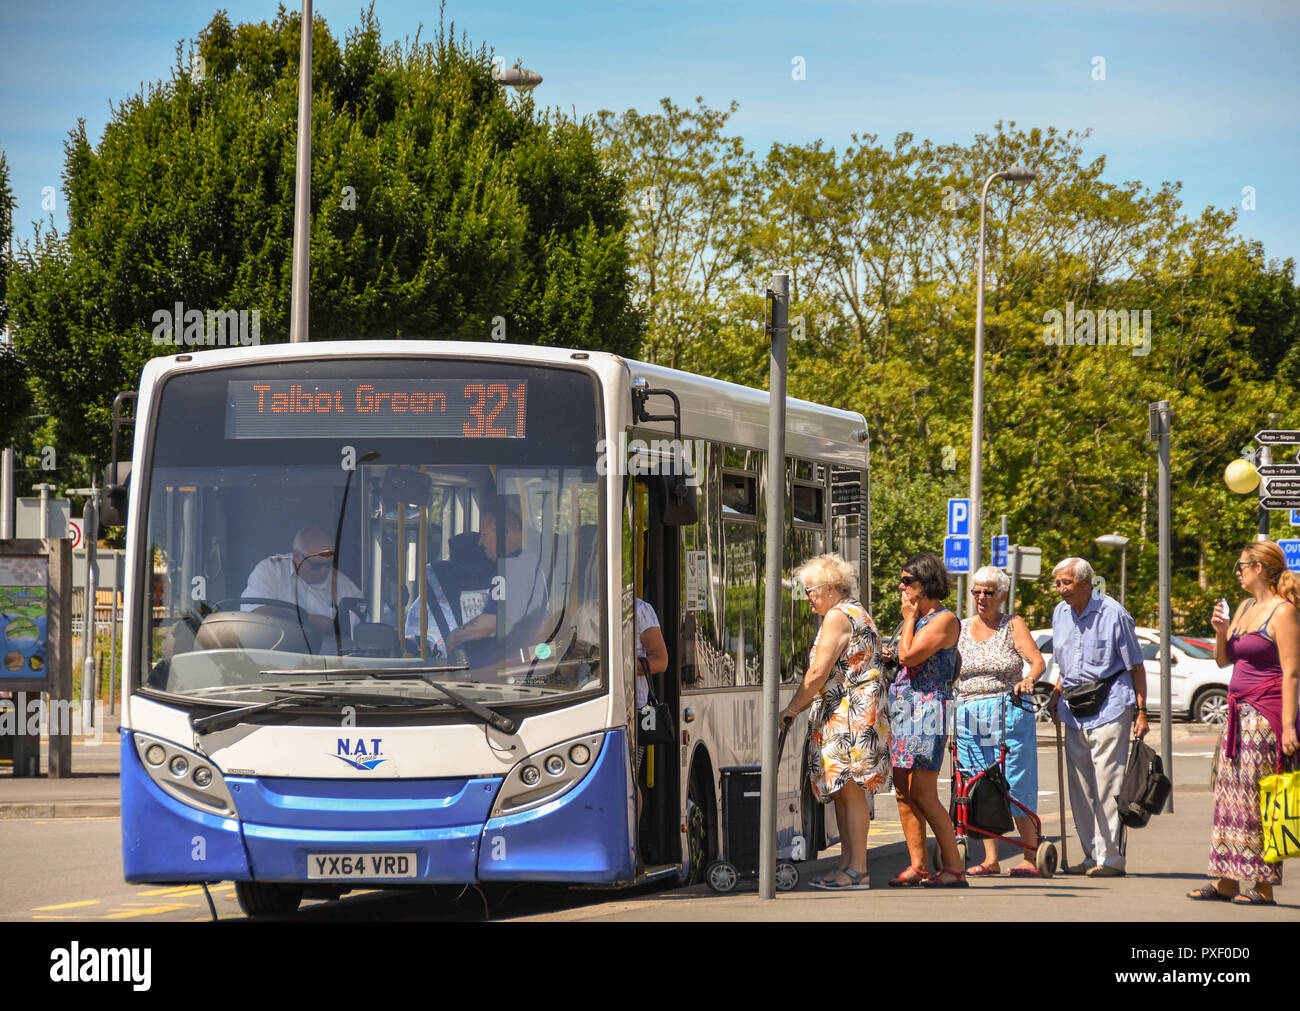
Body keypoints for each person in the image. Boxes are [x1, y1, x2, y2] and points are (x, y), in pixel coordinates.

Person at [1188, 540, 1299, 906]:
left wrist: (1288, 727)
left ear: (1261, 569)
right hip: (1237, 716)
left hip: (1264, 717)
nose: (1238, 571)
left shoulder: (1282, 612)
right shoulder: (1245, 607)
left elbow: (1292, 673)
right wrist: (1220, 632)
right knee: (1228, 798)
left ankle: (1263, 885)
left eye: (1242, 565)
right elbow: (1223, 661)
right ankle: (1226, 879)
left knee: (1258, 799)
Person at [779, 553, 890, 890]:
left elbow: (817, 672)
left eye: (810, 590)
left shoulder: (839, 616)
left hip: (851, 716)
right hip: (851, 713)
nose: (808, 598)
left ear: (829, 589)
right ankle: (847, 864)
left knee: (851, 791)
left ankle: (857, 869)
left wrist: (792, 708)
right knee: (843, 791)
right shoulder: (853, 611)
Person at [1049, 556, 1148, 877]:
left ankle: (1112, 859)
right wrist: (1056, 693)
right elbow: (1065, 664)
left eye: (1067, 582)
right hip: (1073, 709)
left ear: (1087, 582)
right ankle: (1091, 855)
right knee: (1080, 786)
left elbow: (1135, 665)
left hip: (1111, 706)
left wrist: (1142, 710)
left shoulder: (1114, 614)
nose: (1061, 589)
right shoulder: (1060, 613)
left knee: (1109, 783)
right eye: (1058, 583)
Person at [955, 565, 1047, 876]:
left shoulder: (1013, 624)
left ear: (1002, 596)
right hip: (968, 712)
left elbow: (1036, 661)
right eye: (976, 591)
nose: (981, 597)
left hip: (1008, 709)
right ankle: (991, 859)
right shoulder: (962, 627)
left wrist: (1029, 680)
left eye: (988, 592)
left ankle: (1030, 856)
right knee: (979, 783)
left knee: (1016, 781)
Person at [889, 551, 966, 887]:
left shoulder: (943, 620)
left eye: (908, 582)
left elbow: (908, 655)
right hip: (904, 708)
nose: (901, 588)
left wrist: (908, 619)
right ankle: (918, 864)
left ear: (926, 584)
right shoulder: (917, 619)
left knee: (923, 792)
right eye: (902, 581)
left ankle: (953, 866)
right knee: (903, 790)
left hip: (927, 709)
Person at [446, 501, 548, 655]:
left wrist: (455, 636)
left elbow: (492, 622)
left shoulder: (513, 568)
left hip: (501, 667)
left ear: (504, 532)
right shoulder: (526, 563)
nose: (481, 542)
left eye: (485, 535)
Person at [241, 526, 362, 646]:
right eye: (316, 565)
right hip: (276, 660)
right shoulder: (271, 570)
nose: (324, 570)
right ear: (297, 557)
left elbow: (362, 632)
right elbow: (257, 614)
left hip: (330, 664)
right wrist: (307, 620)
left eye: (329, 564)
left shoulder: (344, 585)